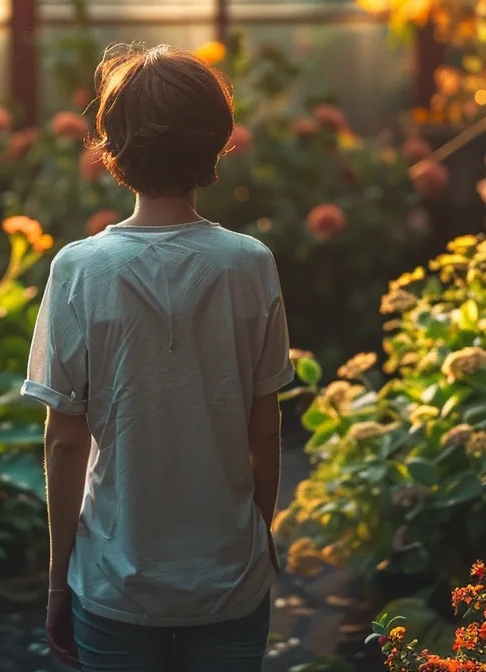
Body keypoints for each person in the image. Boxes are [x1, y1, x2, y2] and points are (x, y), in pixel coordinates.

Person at [22, 42, 293, 672]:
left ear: (112, 146)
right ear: (217, 143)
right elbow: (266, 428)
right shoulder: (249, 263)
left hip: (115, 583)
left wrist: (60, 579)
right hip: (230, 578)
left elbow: (65, 444)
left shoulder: (79, 270)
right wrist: (258, 536)